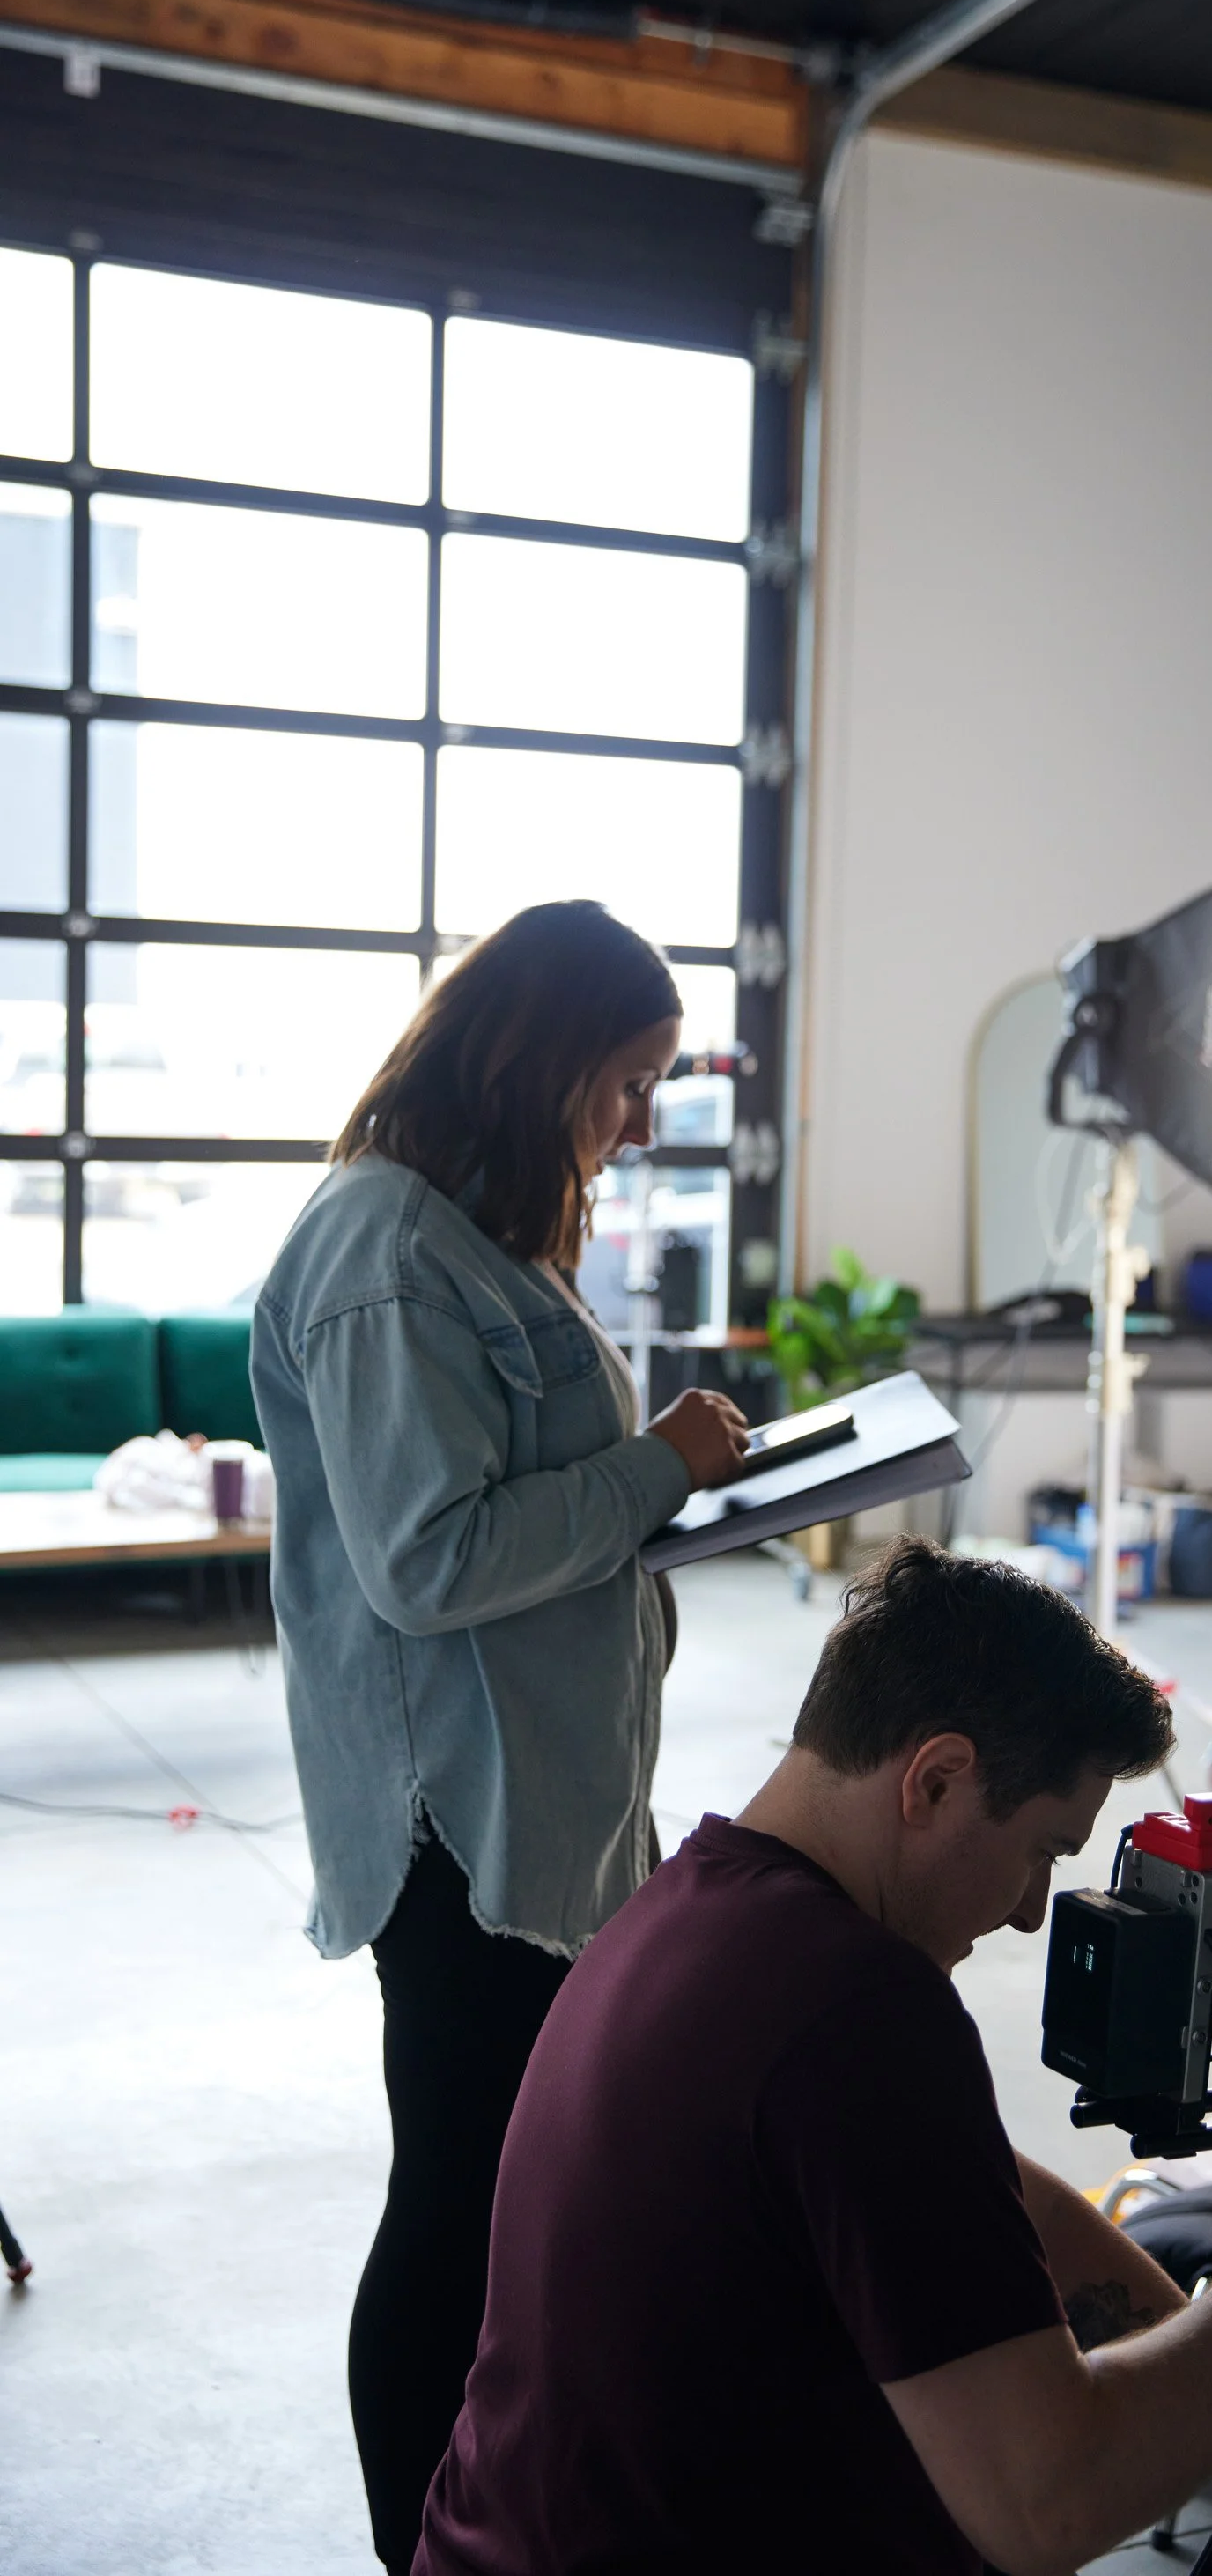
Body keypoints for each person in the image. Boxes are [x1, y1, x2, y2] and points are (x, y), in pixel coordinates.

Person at [413, 1539, 1212, 2576]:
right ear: (934, 1780)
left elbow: (998, 2205)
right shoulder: (852, 2007)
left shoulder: (695, 1905)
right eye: (1041, 1852)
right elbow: (1049, 2503)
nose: (1032, 1913)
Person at [250, 901, 752, 2575]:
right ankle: (425, 2549)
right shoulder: (387, 1251)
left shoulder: (469, 1231)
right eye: (626, 1081)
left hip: (536, 1799)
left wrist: (665, 1489)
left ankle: (496, 2520)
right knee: (457, 2203)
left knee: (512, 2195)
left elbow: (526, 1514)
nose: (640, 1123)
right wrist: (655, 1471)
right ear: (539, 1061)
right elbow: (429, 1558)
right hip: (455, 1825)